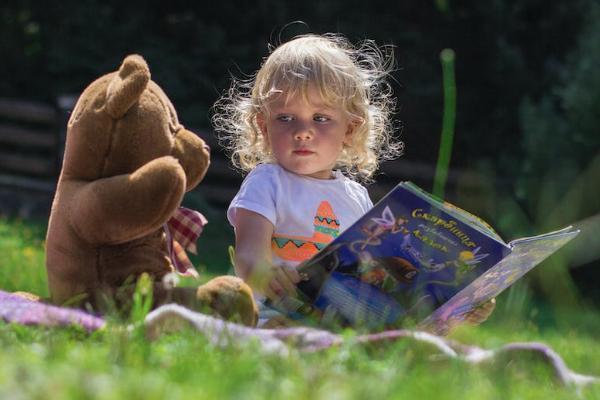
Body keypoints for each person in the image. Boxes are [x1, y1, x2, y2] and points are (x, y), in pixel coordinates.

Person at [213, 33, 493, 329]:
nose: (302, 131)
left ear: (350, 128)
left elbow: (374, 272)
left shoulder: (356, 196)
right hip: (279, 312)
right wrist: (265, 273)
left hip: (345, 320)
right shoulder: (267, 182)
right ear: (263, 126)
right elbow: (248, 255)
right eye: (285, 117)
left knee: (407, 331)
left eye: (320, 118)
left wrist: (458, 303)